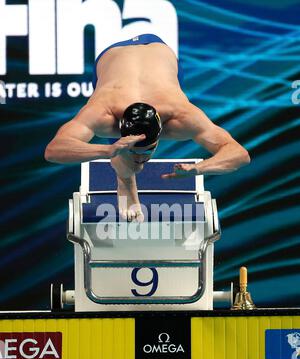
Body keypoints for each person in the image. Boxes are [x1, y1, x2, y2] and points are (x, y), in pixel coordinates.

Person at [45, 34, 250, 222]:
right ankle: (125, 180)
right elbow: (54, 150)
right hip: (111, 58)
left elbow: (239, 154)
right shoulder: (103, 113)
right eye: (136, 152)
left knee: (127, 159)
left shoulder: (181, 115)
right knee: (125, 160)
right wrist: (106, 150)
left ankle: (124, 168)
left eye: (145, 152)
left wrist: (200, 168)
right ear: (119, 128)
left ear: (162, 132)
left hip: (160, 53)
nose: (142, 161)